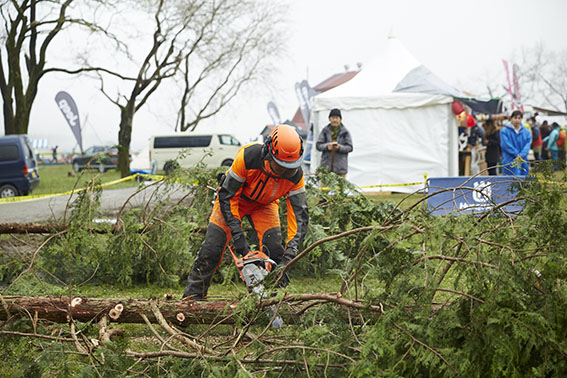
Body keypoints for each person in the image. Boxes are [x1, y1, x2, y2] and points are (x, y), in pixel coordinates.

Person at [183, 125, 309, 300]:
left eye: (290, 166)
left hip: (265, 205)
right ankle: (192, 301)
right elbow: (228, 196)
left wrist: (288, 259)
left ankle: (273, 301)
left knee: (274, 252)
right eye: (280, 166)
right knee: (211, 250)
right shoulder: (249, 157)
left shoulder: (295, 176)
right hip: (233, 200)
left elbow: (300, 218)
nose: (284, 172)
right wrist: (239, 239)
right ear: (268, 151)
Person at [316, 108, 353, 177]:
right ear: (329, 119)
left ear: (340, 119)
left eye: (337, 118)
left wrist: (340, 147)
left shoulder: (345, 132)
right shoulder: (325, 131)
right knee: (324, 188)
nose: (335, 120)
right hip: (325, 169)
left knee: (340, 188)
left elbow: (350, 147)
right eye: (333, 118)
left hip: (340, 169)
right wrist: (327, 146)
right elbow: (318, 145)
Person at [500, 110, 532, 175]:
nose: (517, 120)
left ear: (521, 119)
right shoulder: (504, 131)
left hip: (523, 160)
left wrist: (521, 155)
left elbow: (528, 145)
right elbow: (506, 145)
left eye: (519, 118)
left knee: (523, 181)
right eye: (515, 118)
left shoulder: (527, 132)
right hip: (509, 160)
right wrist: (516, 154)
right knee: (509, 182)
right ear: (511, 118)